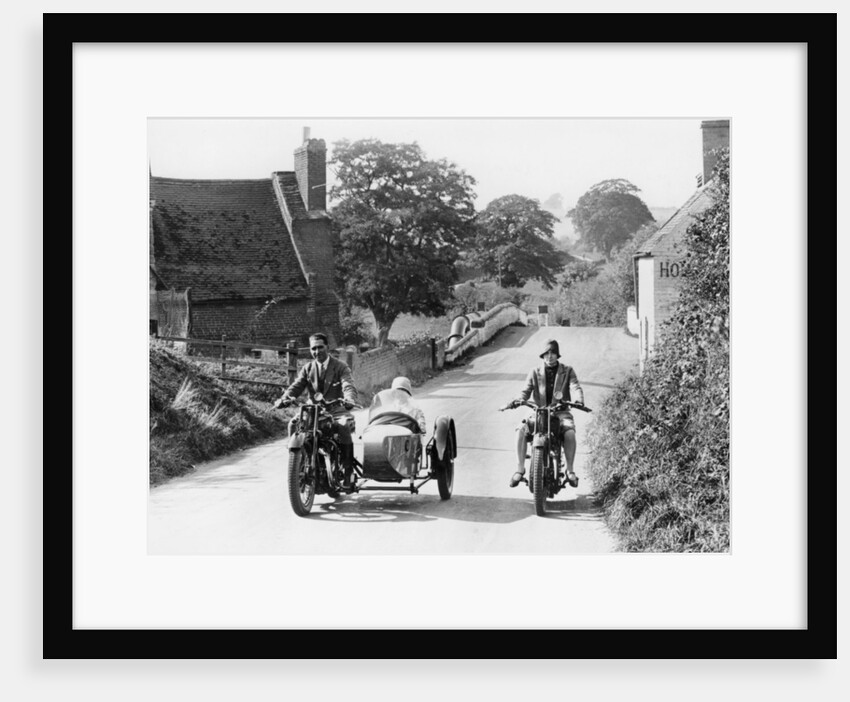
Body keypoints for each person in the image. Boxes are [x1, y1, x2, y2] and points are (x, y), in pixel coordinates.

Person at [274, 332, 359, 486]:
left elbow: (347, 384)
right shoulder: (308, 368)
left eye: (320, 347)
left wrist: (349, 398)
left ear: (327, 347)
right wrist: (284, 398)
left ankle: (347, 471)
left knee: (343, 426)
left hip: (335, 409)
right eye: (313, 348)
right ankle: (297, 462)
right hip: (312, 410)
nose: (316, 352)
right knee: (293, 424)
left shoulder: (340, 366)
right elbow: (297, 386)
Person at [505, 338, 585, 489]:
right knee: (520, 430)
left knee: (570, 433)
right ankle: (520, 469)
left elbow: (575, 386)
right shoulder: (535, 372)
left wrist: (578, 400)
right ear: (542, 355)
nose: (550, 356)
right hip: (538, 411)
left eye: (553, 353)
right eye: (547, 353)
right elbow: (525, 391)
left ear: (557, 355)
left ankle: (570, 470)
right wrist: (519, 400)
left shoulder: (567, 371)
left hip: (560, 411)